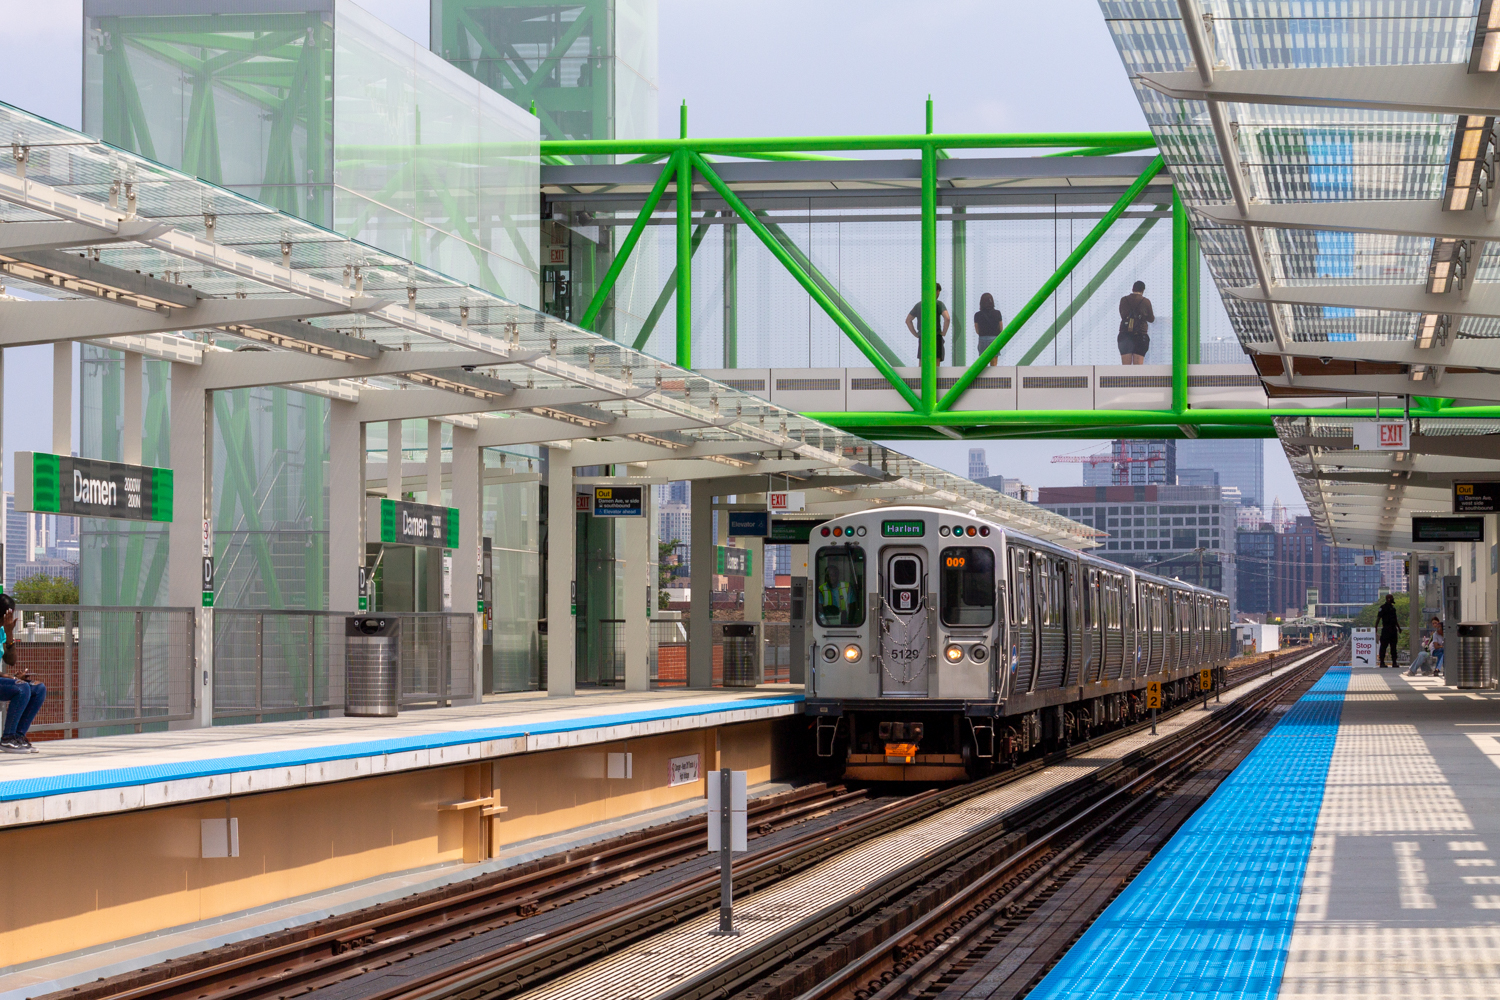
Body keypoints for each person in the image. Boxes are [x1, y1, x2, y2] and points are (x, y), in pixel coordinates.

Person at [0, 594, 43, 753]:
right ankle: (7, 738)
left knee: (38, 688)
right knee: (21, 687)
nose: (9, 619)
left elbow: (11, 661)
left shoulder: (2, 632)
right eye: (7, 616)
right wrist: (11, 678)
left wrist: (9, 634)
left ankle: (18, 736)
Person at [905, 284, 952, 363]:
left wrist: (916, 334)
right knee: (936, 365)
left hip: (923, 338)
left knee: (922, 363)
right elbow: (947, 318)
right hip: (936, 337)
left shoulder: (919, 305)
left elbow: (908, 320)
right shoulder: (939, 304)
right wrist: (943, 333)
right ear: (937, 292)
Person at [1118, 280, 1154, 364]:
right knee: (1138, 367)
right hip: (1140, 335)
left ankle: (1126, 377)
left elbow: (1122, 315)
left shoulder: (1124, 300)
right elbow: (1151, 319)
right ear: (1143, 290)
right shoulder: (1146, 302)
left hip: (1125, 334)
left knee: (1126, 366)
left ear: (1132, 288)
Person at [973, 292, 1004, 366]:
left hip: (982, 339)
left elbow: (977, 330)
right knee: (993, 364)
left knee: (983, 363)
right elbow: (1001, 328)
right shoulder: (997, 313)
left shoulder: (977, 315)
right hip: (994, 339)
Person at [1375, 593, 1402, 668]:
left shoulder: (1393, 608)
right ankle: (1383, 662)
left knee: (1393, 647)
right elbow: (1378, 619)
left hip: (1392, 629)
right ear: (1389, 599)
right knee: (1384, 646)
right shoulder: (1382, 608)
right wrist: (1376, 628)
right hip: (1387, 629)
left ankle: (1393, 662)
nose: (1393, 599)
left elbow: (1395, 620)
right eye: (1392, 598)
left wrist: (1399, 628)